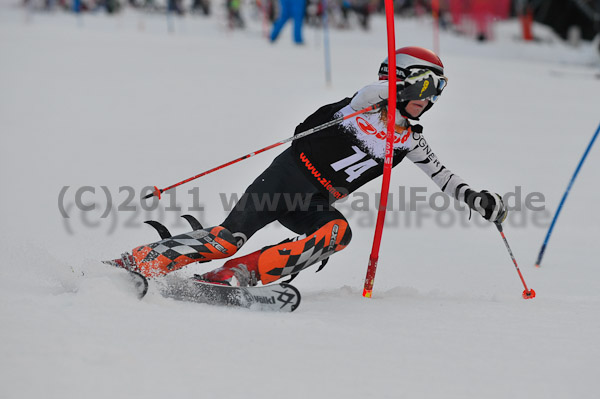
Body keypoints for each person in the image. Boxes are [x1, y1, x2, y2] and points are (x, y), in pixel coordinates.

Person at [120, 47, 507, 287]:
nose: (429, 98)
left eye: (437, 90)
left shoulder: (409, 141)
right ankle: (138, 262)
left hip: (314, 202)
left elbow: (443, 176)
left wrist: (475, 198)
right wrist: (391, 90)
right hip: (287, 179)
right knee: (227, 238)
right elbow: (371, 92)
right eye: (425, 86)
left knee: (338, 232)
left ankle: (240, 274)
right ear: (400, 82)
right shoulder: (362, 108)